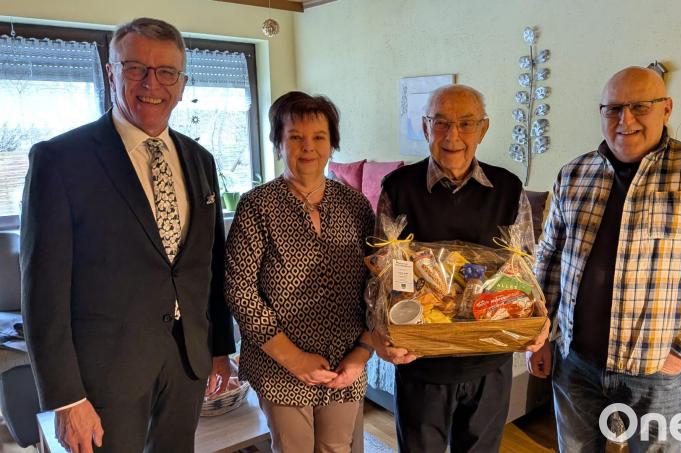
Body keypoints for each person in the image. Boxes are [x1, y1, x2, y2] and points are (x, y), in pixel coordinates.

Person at [20, 17, 235, 452]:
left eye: (166, 72)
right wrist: (66, 398)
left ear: (182, 82)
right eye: (135, 68)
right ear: (110, 71)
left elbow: (209, 264)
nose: (151, 83)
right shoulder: (60, 160)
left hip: (186, 364)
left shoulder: (200, 159)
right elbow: (43, 293)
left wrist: (218, 349)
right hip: (103, 375)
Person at [530, 66, 681, 452]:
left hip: (657, 372)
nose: (624, 120)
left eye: (639, 107)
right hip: (575, 363)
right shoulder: (574, 174)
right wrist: (540, 336)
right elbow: (548, 258)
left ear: (666, 109)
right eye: (612, 109)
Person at [372, 84, 549, 453]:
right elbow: (382, 279)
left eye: (466, 123)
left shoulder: (507, 188)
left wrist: (538, 319)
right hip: (421, 362)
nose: (453, 135)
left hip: (490, 360)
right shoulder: (399, 187)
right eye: (441, 123)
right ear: (425, 128)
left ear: (483, 130)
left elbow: (525, 269)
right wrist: (380, 334)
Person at [225, 91, 375, 453]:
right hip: (280, 363)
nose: (308, 147)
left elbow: (379, 286)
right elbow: (239, 290)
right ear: (279, 143)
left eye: (319, 137)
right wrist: (295, 359)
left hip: (346, 362)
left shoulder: (355, 205)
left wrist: (363, 352)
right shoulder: (257, 205)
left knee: (338, 447)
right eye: (295, 137)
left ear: (331, 144)